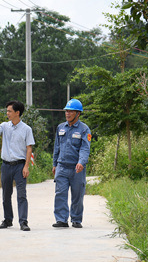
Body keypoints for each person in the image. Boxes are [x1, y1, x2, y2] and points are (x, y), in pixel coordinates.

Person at [0, 100, 35, 232]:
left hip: (19, 166)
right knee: (6, 194)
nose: (7, 113)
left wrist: (26, 166)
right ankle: (8, 219)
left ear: (17, 112)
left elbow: (29, 149)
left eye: (9, 111)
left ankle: (23, 221)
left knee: (21, 195)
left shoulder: (26, 129)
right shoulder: (4, 126)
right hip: (6, 165)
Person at [52, 98, 91, 229]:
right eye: (66, 111)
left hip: (77, 169)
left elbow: (85, 148)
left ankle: (76, 219)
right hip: (62, 166)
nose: (67, 114)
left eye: (71, 111)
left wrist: (81, 162)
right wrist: (54, 164)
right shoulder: (60, 127)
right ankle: (61, 219)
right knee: (60, 194)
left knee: (77, 195)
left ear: (78, 113)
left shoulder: (84, 129)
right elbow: (56, 147)